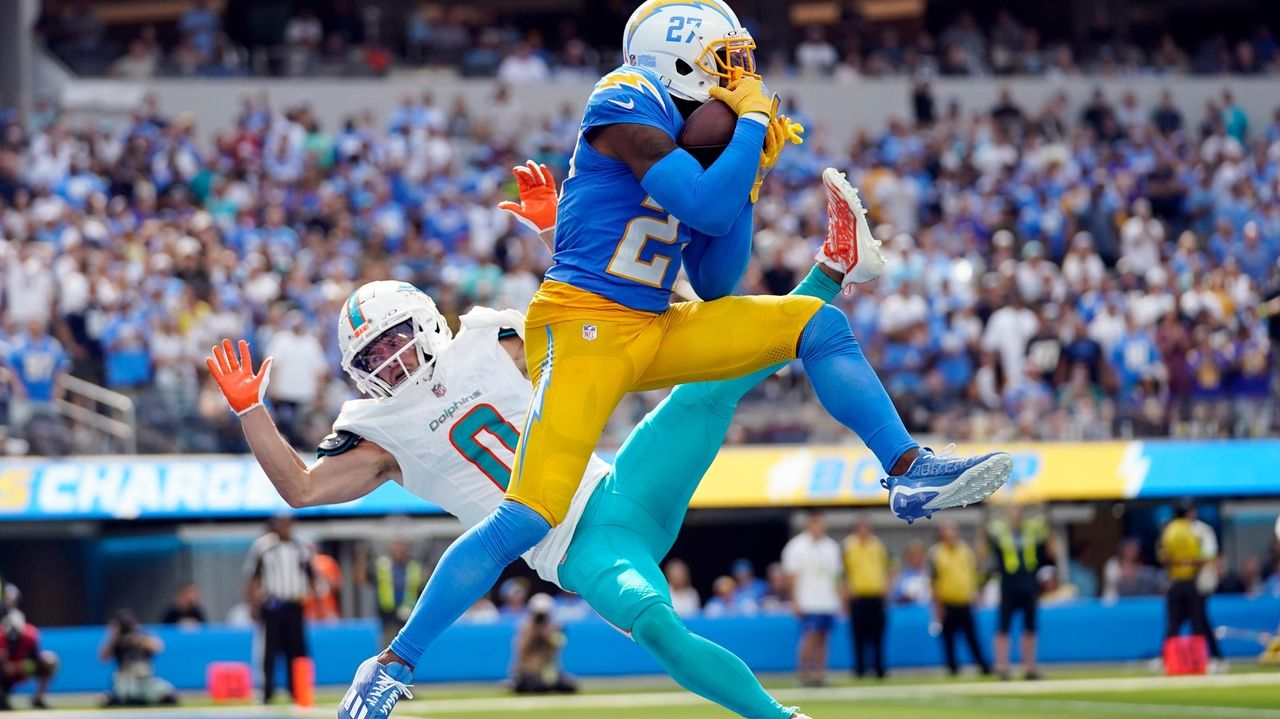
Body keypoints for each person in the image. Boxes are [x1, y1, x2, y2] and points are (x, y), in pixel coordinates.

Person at [359, 0, 1009, 708]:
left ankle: (907, 468)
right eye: (725, 62)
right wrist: (750, 127)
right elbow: (699, 204)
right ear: (674, 58)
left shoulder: (697, 137)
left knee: (816, 327)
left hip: (657, 318)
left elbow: (717, 278)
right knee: (528, 514)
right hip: (583, 327)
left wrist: (749, 169)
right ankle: (393, 663)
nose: (740, 77)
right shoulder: (625, 96)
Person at [208, 164, 887, 719]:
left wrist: (552, 232)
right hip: (575, 546)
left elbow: (583, 320)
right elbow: (299, 488)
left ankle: (832, 268)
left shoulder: (488, 338)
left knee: (711, 385)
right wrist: (251, 413)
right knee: (657, 626)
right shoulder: (377, 432)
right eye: (374, 351)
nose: (389, 356)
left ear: (422, 318)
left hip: (620, 485)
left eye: (392, 335)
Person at [244, 515, 318, 704]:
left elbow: (311, 574)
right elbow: (253, 577)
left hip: (295, 603)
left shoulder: (302, 546)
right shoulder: (264, 546)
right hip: (273, 605)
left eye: (288, 523)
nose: (285, 527)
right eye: (281, 523)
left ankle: (299, 691)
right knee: (269, 650)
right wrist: (252, 604)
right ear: (274, 526)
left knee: (298, 650)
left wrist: (315, 600)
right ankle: (266, 692)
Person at [986, 505, 1051, 680]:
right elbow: (989, 543)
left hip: (1028, 585)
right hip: (1009, 585)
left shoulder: (1031, 530)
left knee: (1030, 628)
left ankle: (1029, 667)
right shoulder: (1000, 531)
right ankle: (1002, 667)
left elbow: (1045, 545)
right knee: (1003, 628)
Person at [782, 512, 844, 687]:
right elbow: (791, 576)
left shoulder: (831, 546)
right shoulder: (796, 547)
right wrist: (795, 601)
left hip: (828, 601)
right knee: (809, 637)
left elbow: (837, 576)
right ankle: (803, 674)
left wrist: (841, 599)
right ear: (809, 525)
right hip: (808, 600)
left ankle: (819, 673)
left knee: (824, 637)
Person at [929, 522, 991, 676]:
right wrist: (937, 605)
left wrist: (975, 594)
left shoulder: (965, 551)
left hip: (964, 601)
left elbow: (973, 574)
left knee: (972, 636)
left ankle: (983, 665)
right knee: (948, 638)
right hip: (947, 601)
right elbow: (933, 581)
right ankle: (952, 667)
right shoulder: (936, 553)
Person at [1160, 505, 1210, 660]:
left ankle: (1166, 659)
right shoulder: (1194, 530)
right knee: (1198, 622)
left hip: (1175, 583)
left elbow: (1163, 557)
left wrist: (1177, 564)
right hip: (1191, 582)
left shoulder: (1168, 531)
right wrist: (1188, 564)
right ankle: (1200, 659)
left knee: (1173, 624)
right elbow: (1203, 558)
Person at [99, 610, 176, 706]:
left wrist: (136, 638)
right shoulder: (116, 642)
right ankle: (117, 699)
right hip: (125, 678)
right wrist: (114, 638)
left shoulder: (142, 637)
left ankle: (145, 698)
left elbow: (158, 647)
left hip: (145, 679)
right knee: (129, 695)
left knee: (166, 694)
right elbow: (103, 658)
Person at [843, 519, 889, 679]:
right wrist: (845, 593)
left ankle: (879, 669)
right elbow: (840, 572)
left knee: (877, 636)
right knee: (858, 636)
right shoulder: (848, 546)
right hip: (858, 598)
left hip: (876, 597)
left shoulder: (878, 546)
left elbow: (893, 564)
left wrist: (887, 586)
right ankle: (860, 670)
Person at [1185, 503, 1226, 667]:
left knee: (1200, 618)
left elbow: (1210, 555)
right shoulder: (1176, 531)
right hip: (1184, 581)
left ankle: (1212, 656)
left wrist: (1190, 563)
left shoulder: (1203, 530)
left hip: (1201, 580)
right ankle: (1201, 657)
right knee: (1188, 618)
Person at [511, 593, 576, 693]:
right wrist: (534, 633)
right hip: (529, 671)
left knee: (569, 686)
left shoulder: (553, 627)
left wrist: (549, 634)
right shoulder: (526, 627)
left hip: (548, 670)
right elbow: (522, 648)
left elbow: (560, 644)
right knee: (536, 686)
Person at [366, 540, 423, 647]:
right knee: (388, 646)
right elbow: (364, 579)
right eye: (396, 548)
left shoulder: (413, 567)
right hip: (388, 615)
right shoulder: (382, 566)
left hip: (408, 615)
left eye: (401, 548)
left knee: (407, 648)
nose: (399, 551)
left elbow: (419, 588)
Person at [0, 607, 57, 710]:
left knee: (50, 661)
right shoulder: (1, 637)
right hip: (5, 673)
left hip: (23, 669)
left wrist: (20, 666)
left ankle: (38, 699)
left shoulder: (30, 636)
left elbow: (36, 658)